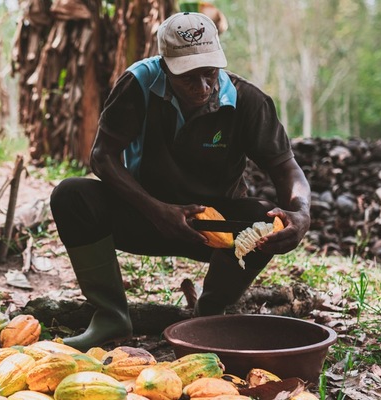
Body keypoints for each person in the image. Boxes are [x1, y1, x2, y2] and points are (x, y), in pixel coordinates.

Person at [49, 12, 311, 351]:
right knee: (71, 196)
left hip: (213, 230)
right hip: (144, 214)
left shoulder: (247, 100)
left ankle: (210, 313)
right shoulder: (138, 84)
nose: (202, 87)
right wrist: (157, 210)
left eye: (209, 73)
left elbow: (287, 168)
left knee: (263, 220)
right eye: (188, 76)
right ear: (165, 65)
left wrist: (301, 213)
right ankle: (111, 316)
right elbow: (102, 156)